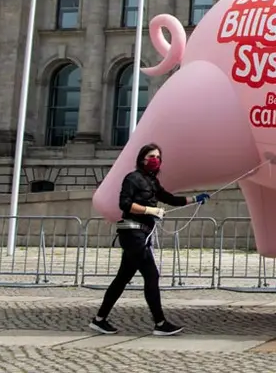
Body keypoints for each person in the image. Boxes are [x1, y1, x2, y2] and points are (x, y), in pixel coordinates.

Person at [90, 142, 211, 336]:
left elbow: (170, 198)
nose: (155, 160)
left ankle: (99, 319)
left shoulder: (152, 182)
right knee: (151, 275)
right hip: (132, 234)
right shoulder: (132, 178)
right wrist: (150, 210)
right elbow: (125, 204)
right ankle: (160, 323)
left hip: (141, 234)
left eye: (158, 157)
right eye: (151, 157)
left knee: (122, 279)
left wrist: (195, 199)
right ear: (142, 159)